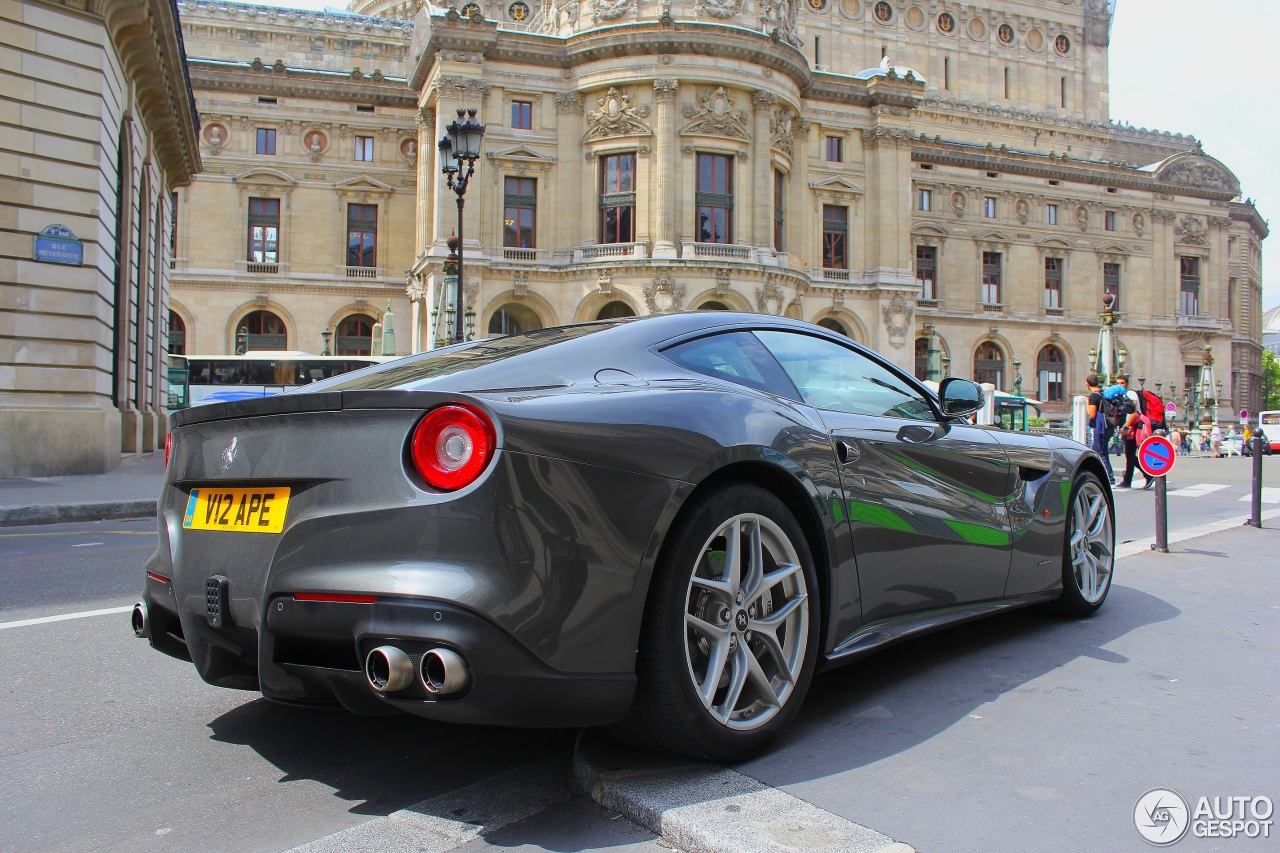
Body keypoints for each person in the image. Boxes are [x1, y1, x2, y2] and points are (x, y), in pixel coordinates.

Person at [1115, 374, 1154, 490]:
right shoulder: (1120, 395)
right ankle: (1128, 480)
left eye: (1122, 383)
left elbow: (1132, 412)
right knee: (1130, 455)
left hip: (1136, 427)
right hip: (1130, 427)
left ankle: (1148, 474)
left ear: (1126, 384)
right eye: (1118, 383)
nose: (1120, 385)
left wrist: (1126, 427)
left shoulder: (1130, 394)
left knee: (1132, 454)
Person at [1085, 373, 1115, 485]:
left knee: (1100, 452)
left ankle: (1109, 478)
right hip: (1108, 426)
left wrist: (1087, 404)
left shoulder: (1093, 396)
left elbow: (1091, 414)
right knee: (1101, 451)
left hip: (1100, 427)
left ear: (1087, 383)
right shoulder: (1103, 393)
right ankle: (1104, 476)